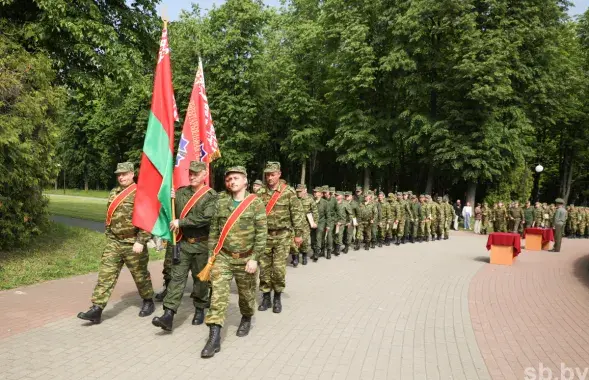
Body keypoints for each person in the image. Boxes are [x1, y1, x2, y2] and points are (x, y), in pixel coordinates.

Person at [201, 166, 267, 358]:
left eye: (236, 178)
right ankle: (213, 338)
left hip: (246, 259)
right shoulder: (221, 203)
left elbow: (262, 234)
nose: (232, 182)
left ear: (246, 181)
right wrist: (211, 255)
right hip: (223, 257)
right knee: (217, 297)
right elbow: (214, 230)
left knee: (246, 296)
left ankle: (246, 317)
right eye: (229, 179)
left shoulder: (255, 204)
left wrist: (255, 258)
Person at [77, 162, 154, 324]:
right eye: (119, 174)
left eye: (124, 174)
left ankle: (148, 301)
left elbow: (147, 219)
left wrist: (141, 240)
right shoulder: (114, 192)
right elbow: (109, 217)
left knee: (140, 276)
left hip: (133, 242)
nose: (121, 177)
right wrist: (110, 236)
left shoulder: (140, 192)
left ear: (132, 174)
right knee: (106, 275)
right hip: (115, 242)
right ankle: (96, 309)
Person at [152, 161, 217, 331]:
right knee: (177, 278)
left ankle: (200, 308)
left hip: (201, 245)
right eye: (191, 173)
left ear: (204, 174)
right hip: (182, 244)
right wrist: (169, 197)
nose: (192, 176)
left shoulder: (211, 196)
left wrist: (181, 222)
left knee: (200, 280)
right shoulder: (180, 193)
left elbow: (206, 218)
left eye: (196, 173)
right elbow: (170, 211)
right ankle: (168, 314)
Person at [257, 162, 304, 314]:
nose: (269, 178)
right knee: (264, 268)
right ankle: (266, 297)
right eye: (267, 175)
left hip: (282, 236)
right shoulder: (260, 193)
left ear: (279, 174)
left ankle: (277, 296)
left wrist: (298, 234)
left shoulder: (288, 192)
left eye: (272, 174)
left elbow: (297, 214)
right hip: (264, 236)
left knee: (278, 269)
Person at [294, 184, 318, 266]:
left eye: (300, 191)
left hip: (305, 225)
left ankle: (304, 256)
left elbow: (315, 212)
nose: (298, 193)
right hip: (295, 225)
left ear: (305, 190)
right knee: (295, 242)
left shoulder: (310, 200)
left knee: (304, 242)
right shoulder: (294, 199)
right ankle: (296, 258)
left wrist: (315, 222)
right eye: (297, 191)